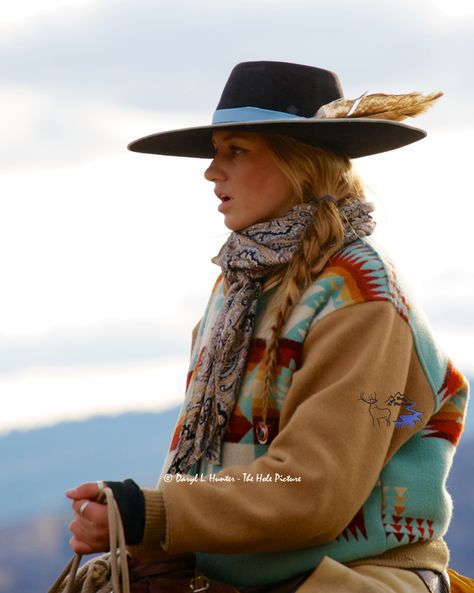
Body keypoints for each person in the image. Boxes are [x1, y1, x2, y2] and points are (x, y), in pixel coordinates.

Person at [65, 61, 469, 593]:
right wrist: (146, 532)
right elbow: (202, 462)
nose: (212, 171)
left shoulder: (362, 298)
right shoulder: (237, 289)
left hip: (353, 578)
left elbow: (310, 491)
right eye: (215, 150)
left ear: (298, 162)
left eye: (236, 149)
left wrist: (152, 513)